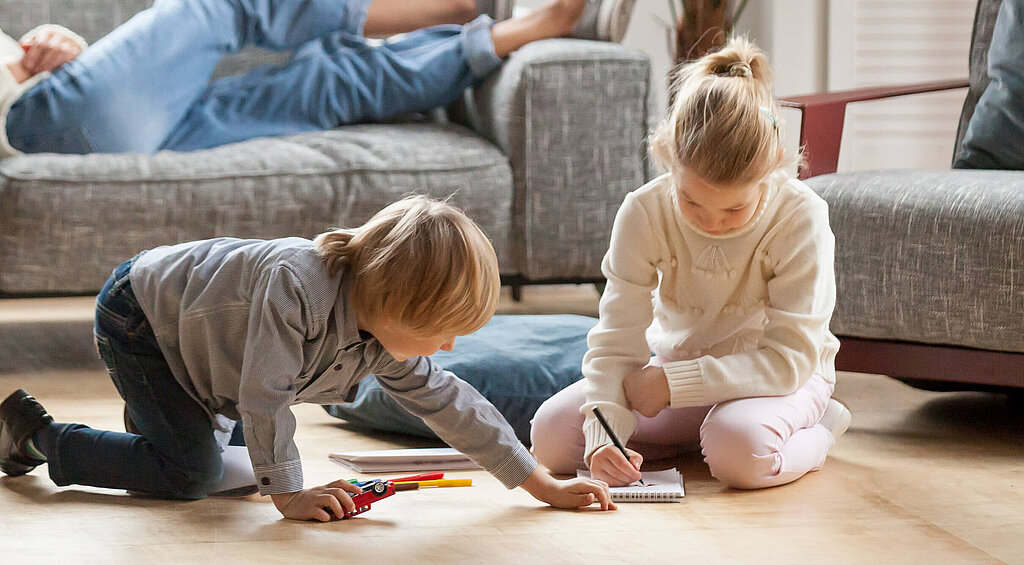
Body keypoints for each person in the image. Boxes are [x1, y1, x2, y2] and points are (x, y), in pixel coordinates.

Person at [0, 195, 616, 520]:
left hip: (207, 346)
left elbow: (452, 403)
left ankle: (161, 432)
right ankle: (35, 437)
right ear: (394, 304)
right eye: (438, 332)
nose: (448, 348)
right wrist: (289, 495)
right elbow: (265, 394)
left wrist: (540, 483)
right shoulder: (296, 284)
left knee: (239, 467)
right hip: (145, 319)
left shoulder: (384, 336)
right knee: (192, 478)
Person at [530, 37, 852, 490]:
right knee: (550, 439)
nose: (711, 223)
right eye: (691, 201)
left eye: (734, 210)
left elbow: (788, 360)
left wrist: (672, 384)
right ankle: (701, 435)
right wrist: (605, 436)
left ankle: (816, 431)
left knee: (741, 454)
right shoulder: (643, 210)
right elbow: (616, 340)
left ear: (775, 168)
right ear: (667, 155)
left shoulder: (801, 216)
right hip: (677, 373)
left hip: (779, 380)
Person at [0, 0, 635, 156]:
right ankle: (453, 5)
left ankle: (512, 32)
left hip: (62, 107)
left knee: (323, 82)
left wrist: (60, 48)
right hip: (39, 121)